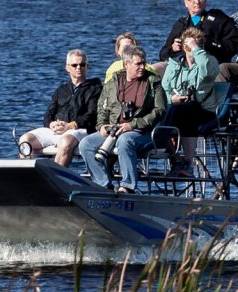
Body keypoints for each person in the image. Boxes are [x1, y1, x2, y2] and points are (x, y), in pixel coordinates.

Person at [79, 47, 169, 193]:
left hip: (143, 131)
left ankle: (127, 186)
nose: (142, 67)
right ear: (126, 64)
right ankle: (103, 185)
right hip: (114, 130)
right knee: (86, 144)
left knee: (125, 141)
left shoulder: (153, 82)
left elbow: (160, 110)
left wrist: (132, 125)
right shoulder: (113, 83)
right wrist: (102, 126)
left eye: (143, 63)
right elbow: (102, 108)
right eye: (138, 64)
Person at [17, 49, 101, 165]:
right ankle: (30, 174)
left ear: (87, 67)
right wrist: (51, 124)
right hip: (57, 129)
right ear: (67, 68)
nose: (78, 68)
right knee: (25, 140)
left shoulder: (95, 89)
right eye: (74, 65)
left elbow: (92, 115)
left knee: (65, 142)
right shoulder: (61, 90)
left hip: (79, 130)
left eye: (82, 65)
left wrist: (70, 125)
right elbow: (49, 113)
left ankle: (55, 174)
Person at [159, 28, 221, 174]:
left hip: (204, 109)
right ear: (185, 48)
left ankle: (186, 162)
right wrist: (172, 98)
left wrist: (196, 49)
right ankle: (176, 158)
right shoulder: (175, 64)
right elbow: (164, 89)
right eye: (191, 46)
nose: (195, 49)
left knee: (185, 112)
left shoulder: (209, 61)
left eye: (199, 45)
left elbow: (206, 73)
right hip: (176, 108)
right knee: (165, 111)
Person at [164, 0, 238, 64]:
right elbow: (163, 54)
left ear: (205, 1)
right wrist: (173, 49)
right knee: (158, 67)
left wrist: (208, 44)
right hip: (183, 65)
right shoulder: (181, 24)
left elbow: (235, 44)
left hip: (212, 64)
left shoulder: (218, 19)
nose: (197, 2)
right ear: (186, 3)